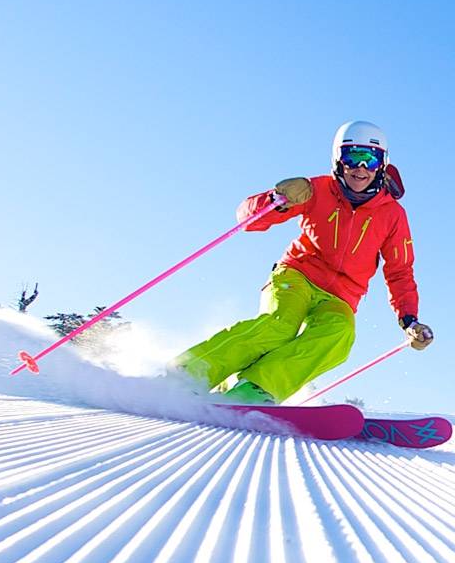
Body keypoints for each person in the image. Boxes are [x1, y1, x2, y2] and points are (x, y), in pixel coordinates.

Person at [174, 120, 433, 405]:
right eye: (352, 157)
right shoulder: (316, 189)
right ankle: (191, 374)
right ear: (338, 160)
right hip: (296, 275)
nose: (360, 168)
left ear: (382, 164)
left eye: (370, 159)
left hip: (341, 297)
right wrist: (277, 199)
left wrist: (409, 319)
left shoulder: (393, 215)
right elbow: (247, 219)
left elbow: (399, 270)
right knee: (279, 325)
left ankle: (256, 390)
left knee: (338, 335)